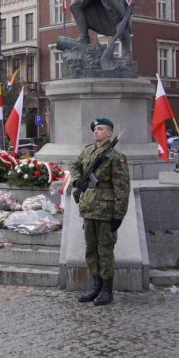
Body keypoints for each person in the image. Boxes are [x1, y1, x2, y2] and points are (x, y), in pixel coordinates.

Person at [70, 117, 131, 306]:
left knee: (105, 250)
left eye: (100, 129)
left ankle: (106, 290)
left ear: (109, 133)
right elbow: (75, 166)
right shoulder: (87, 151)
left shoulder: (115, 156)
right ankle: (95, 286)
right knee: (91, 249)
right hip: (88, 207)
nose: (96, 132)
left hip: (106, 210)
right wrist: (77, 180)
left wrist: (118, 215)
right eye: (95, 129)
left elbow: (122, 188)